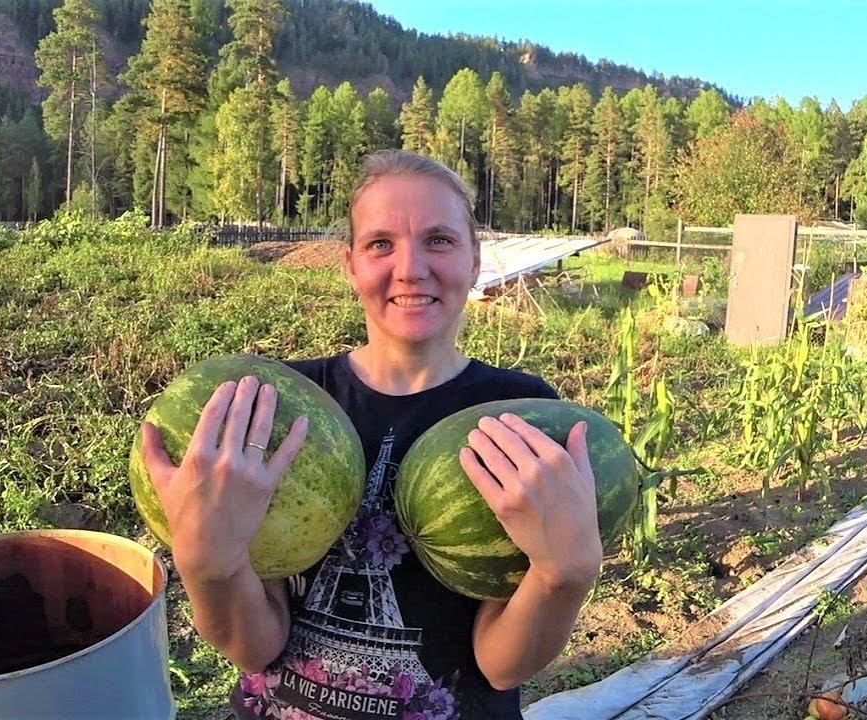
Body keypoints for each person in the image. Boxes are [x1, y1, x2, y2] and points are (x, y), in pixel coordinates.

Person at [139, 149, 602, 720]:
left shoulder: (518, 413)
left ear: (475, 259)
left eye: (439, 240)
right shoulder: (278, 405)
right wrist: (208, 562)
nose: (410, 269)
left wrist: (563, 576)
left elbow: (499, 666)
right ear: (351, 265)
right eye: (381, 243)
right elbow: (256, 648)